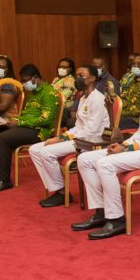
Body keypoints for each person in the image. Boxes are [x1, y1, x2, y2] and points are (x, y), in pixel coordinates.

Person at [73, 53, 140, 240]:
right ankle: (101, 211)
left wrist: (127, 149)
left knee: (106, 164)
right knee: (84, 159)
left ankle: (116, 219)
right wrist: (122, 144)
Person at [30, 65, 111, 208]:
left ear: (92, 78)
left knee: (46, 151)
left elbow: (90, 131)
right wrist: (64, 135)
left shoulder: (97, 99)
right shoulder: (83, 98)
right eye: (77, 75)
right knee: (34, 149)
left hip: (90, 141)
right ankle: (58, 189)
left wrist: (62, 139)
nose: (78, 79)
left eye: (82, 76)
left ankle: (61, 194)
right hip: (79, 137)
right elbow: (79, 127)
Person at [0, 64, 60, 193]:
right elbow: (26, 115)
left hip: (39, 131)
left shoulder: (49, 93)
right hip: (25, 126)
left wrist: (19, 122)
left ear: (35, 78)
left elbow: (45, 120)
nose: (24, 84)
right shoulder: (33, 93)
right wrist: (13, 121)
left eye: (25, 80)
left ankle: (4, 180)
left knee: (3, 138)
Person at [119, 53, 140, 129]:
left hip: (137, 119)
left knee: (116, 124)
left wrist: (122, 113)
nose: (135, 66)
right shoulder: (129, 78)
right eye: (134, 64)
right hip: (125, 114)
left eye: (139, 64)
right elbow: (124, 98)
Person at [52, 57, 77, 127]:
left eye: (65, 67)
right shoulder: (56, 79)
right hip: (54, 107)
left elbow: (62, 97)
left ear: (70, 69)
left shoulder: (70, 80)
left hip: (64, 110)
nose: (61, 69)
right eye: (60, 67)